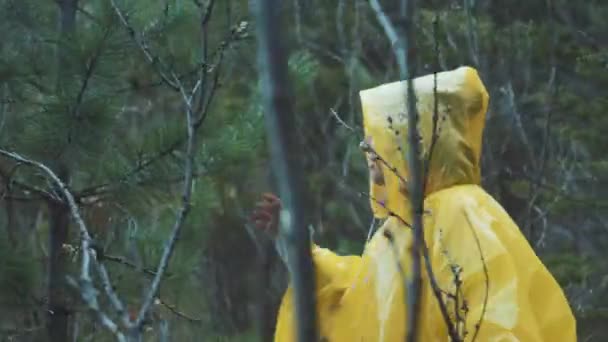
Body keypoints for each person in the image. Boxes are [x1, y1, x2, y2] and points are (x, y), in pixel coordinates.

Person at [251, 66, 576, 341]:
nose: (366, 147)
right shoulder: (403, 228)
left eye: (377, 137)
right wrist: (299, 252)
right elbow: (356, 302)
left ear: (410, 144)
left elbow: (496, 313)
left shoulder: (461, 211)